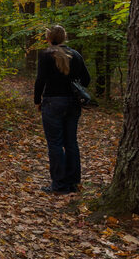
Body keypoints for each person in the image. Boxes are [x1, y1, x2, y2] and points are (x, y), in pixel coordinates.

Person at [34, 25, 91, 194]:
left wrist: (37, 100)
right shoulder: (76, 55)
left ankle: (59, 185)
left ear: (49, 38)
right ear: (64, 37)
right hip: (73, 103)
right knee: (71, 142)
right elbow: (86, 79)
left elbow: (40, 80)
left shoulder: (45, 55)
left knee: (55, 144)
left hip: (52, 103)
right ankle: (73, 183)